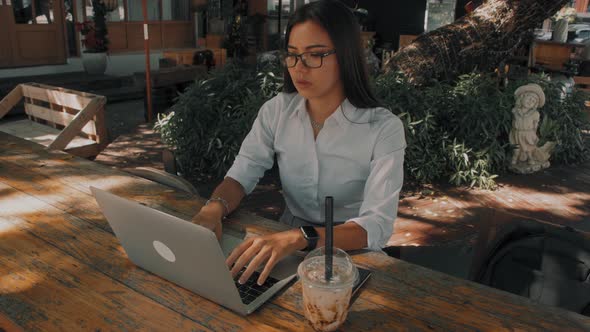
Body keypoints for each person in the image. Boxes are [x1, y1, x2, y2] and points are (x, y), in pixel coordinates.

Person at [191, 0, 406, 286]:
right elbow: (243, 171)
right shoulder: (277, 111)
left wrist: (300, 238)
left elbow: (377, 225)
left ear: (345, 55)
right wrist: (214, 207)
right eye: (292, 55)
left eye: (314, 55)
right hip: (286, 249)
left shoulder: (383, 128)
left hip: (352, 255)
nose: (299, 68)